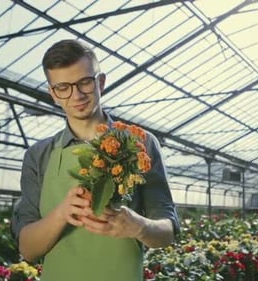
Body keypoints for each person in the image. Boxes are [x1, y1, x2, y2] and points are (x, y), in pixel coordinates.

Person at [11, 39, 179, 281]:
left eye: (84, 82)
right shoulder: (39, 155)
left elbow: (167, 230)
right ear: (53, 94)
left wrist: (140, 226)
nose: (76, 95)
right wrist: (62, 213)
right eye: (63, 87)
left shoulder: (139, 142)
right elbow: (27, 248)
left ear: (100, 82)